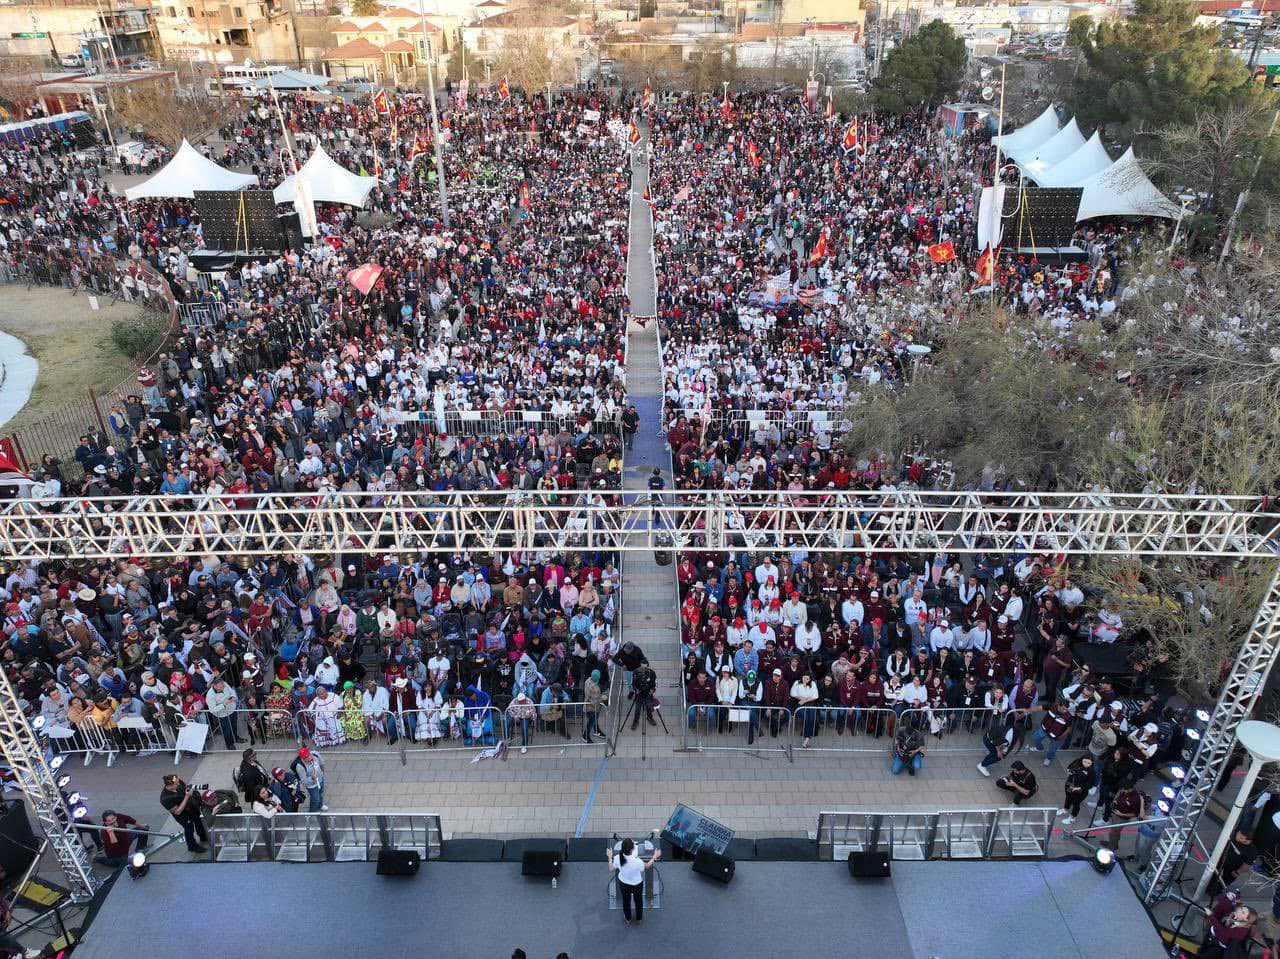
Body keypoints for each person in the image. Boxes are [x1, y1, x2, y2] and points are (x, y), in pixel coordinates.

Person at [607, 838, 660, 925]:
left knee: (626, 901)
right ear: (632, 849)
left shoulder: (617, 858)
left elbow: (611, 868)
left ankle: (628, 918)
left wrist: (609, 857)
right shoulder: (637, 861)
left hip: (624, 884)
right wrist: (654, 856)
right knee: (638, 901)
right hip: (637, 884)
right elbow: (647, 866)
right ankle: (639, 918)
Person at [159, 774, 208, 854]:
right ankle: (192, 846)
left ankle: (203, 837)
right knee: (189, 829)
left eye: (178, 782)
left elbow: (186, 787)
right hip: (183, 816)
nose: (179, 784)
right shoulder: (165, 798)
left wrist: (190, 790)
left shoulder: (177, 781)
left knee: (198, 821)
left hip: (191, 807)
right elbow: (178, 811)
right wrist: (187, 796)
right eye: (176, 784)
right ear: (169, 785)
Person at [1199, 892, 1258, 959]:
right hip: (1212, 941)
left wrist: (1211, 916)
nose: (1239, 910)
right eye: (1241, 909)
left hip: (1217, 951)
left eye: (1243, 912)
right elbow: (1220, 902)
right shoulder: (1234, 918)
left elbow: (1223, 935)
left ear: (1246, 919)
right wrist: (1227, 897)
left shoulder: (1242, 932)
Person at [1060, 755, 1095, 825]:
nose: (1086, 764)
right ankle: (1065, 809)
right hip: (1070, 784)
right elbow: (1069, 767)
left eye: (1089, 763)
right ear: (1082, 760)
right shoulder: (1077, 762)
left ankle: (1072, 817)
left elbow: (1090, 785)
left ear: (1091, 763)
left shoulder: (1091, 771)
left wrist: (1078, 788)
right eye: (1085, 762)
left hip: (1080, 790)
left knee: (1076, 803)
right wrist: (1069, 771)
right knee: (1068, 798)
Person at [290, 747, 328, 812]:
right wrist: (312, 778)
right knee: (315, 798)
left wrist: (322, 773)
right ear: (302, 758)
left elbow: (322, 764)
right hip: (312, 785)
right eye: (306, 757)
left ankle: (320, 805)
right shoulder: (300, 766)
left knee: (321, 793)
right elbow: (304, 781)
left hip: (320, 779)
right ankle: (312, 811)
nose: (309, 758)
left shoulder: (315, 754)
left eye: (309, 755)